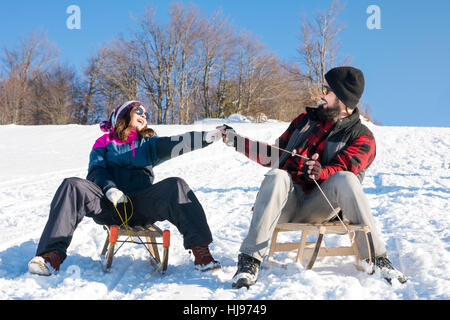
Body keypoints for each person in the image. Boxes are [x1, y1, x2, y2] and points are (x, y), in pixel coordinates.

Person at [220, 66, 407, 288]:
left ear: (343, 99)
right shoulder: (304, 122)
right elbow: (273, 155)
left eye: (326, 90)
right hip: (286, 203)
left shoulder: (362, 137)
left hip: (320, 205)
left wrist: (321, 171)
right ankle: (249, 261)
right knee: (277, 175)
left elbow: (344, 167)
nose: (320, 94)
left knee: (346, 179)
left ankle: (376, 258)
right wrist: (236, 140)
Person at [28, 101, 223, 276]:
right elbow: (96, 171)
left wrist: (207, 137)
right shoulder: (103, 143)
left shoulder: (148, 144)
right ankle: (50, 256)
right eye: (139, 110)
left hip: (141, 206)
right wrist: (110, 189)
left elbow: (178, 142)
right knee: (72, 185)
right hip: (108, 205)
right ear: (123, 115)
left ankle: (201, 253)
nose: (144, 115)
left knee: (176, 185)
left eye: (146, 113)